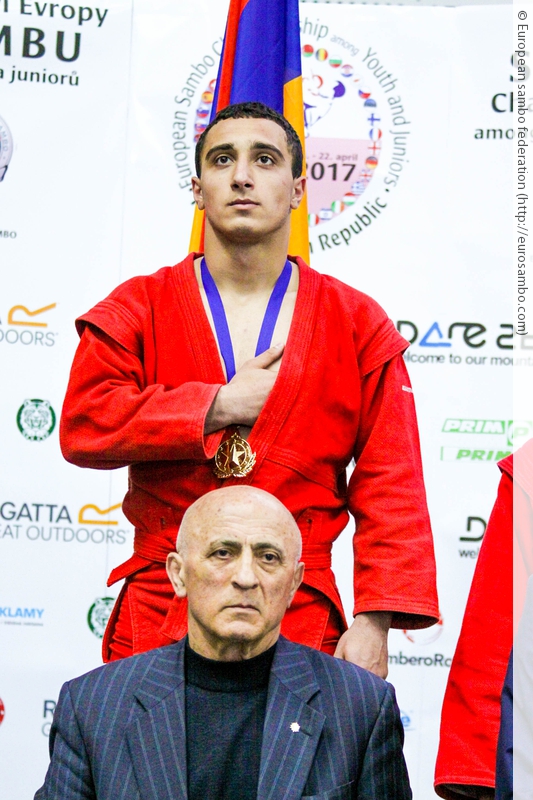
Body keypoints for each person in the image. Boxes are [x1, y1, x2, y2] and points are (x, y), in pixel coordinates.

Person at [60, 101, 439, 674]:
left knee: (300, 741)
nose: (242, 175)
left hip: (299, 611)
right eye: (222, 160)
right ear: (198, 189)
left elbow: (394, 482)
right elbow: (85, 423)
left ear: (298, 189)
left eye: (264, 159)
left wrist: (374, 620)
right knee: (143, 738)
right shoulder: (140, 305)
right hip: (165, 604)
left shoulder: (355, 321)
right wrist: (215, 406)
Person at [35, 486, 412, 800]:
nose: (245, 577)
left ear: (294, 583)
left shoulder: (361, 707)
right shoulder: (93, 706)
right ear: (178, 575)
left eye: (268, 557)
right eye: (223, 553)